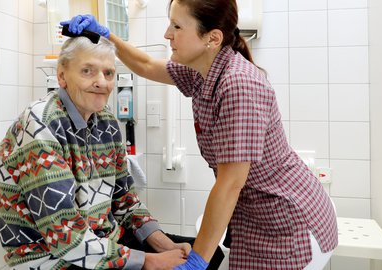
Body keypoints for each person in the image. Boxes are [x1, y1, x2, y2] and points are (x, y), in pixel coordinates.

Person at [61, 0, 339, 269]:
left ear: (212, 38)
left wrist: (198, 261)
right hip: (257, 216)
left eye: (177, 27)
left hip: (289, 224)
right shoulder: (203, 72)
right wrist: (106, 35)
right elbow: (146, 65)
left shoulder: (239, 85)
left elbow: (230, 184)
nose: (167, 34)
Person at [0, 34, 223, 270]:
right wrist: (149, 262)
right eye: (87, 71)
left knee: (209, 255)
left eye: (108, 73)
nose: (101, 82)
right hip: (51, 258)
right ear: (62, 76)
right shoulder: (41, 125)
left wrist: (165, 246)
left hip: (103, 242)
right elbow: (63, 233)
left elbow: (125, 201)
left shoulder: (106, 122)